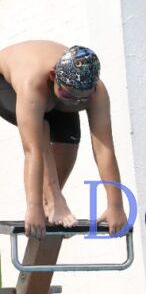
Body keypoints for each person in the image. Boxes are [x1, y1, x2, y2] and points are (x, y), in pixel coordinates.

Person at [0, 41, 128, 239]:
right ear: (53, 76)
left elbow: (104, 149)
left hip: (56, 91)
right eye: (68, 94)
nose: (74, 102)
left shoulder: (95, 93)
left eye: (81, 98)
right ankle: (53, 200)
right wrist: (32, 207)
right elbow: (31, 151)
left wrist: (116, 206)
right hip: (5, 84)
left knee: (69, 141)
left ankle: (49, 202)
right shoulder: (32, 84)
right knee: (39, 129)